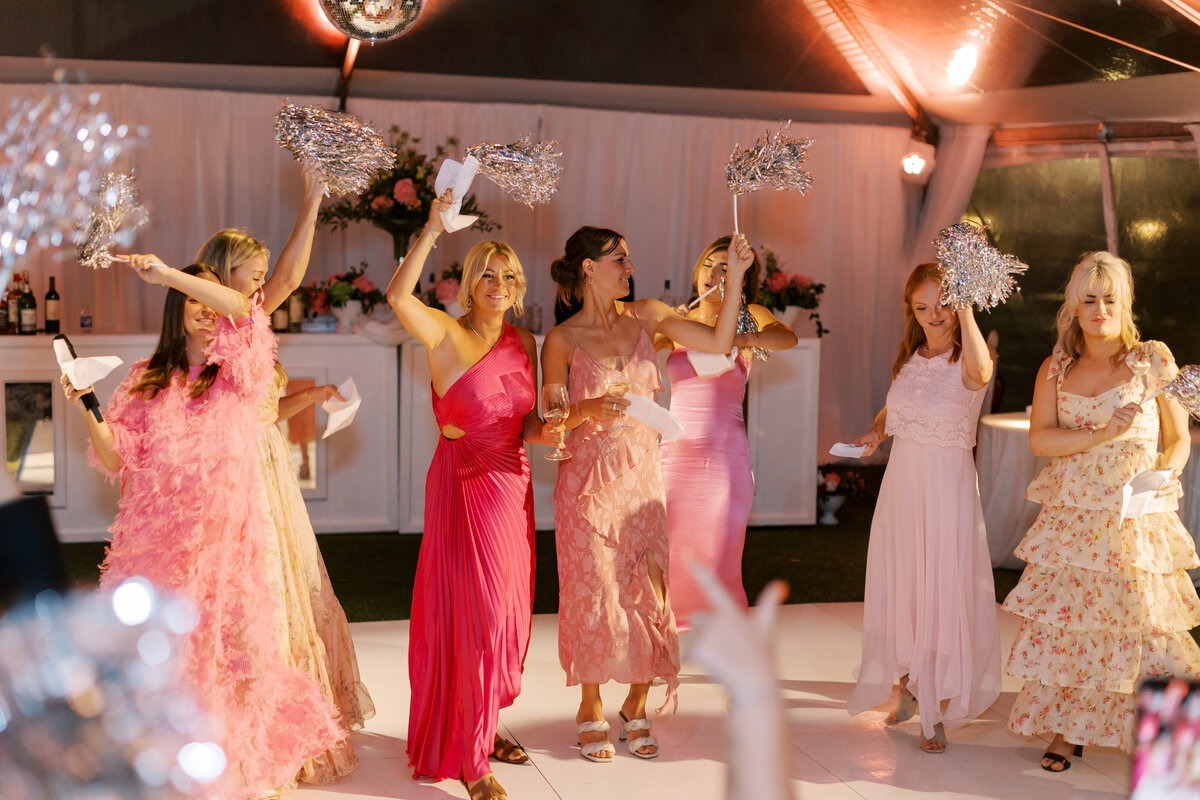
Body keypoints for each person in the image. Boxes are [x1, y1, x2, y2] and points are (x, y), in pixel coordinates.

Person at [63, 257, 343, 798]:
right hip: (154, 547)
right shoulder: (146, 378)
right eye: (196, 300)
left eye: (213, 299)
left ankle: (218, 764)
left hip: (226, 550)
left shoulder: (241, 374)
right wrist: (89, 410)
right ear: (178, 310)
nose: (210, 310)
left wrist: (168, 273)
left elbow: (247, 310)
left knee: (229, 657)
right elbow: (119, 456)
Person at [542, 225, 752, 762]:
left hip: (642, 477)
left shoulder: (650, 316)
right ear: (589, 266)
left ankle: (635, 705)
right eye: (619, 259)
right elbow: (550, 423)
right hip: (586, 487)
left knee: (647, 591)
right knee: (591, 593)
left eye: (629, 259)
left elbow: (720, 343)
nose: (629, 268)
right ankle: (590, 706)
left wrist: (737, 282)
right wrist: (585, 411)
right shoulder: (561, 340)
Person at [195, 172, 376, 783]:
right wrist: (313, 198)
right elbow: (295, 280)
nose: (264, 284)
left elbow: (264, 410)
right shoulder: (217, 319)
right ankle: (257, 733)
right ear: (225, 277)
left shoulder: (248, 325)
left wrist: (311, 396)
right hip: (240, 475)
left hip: (269, 467)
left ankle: (289, 727)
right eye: (254, 272)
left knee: (293, 590)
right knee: (262, 595)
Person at [1003, 251, 1200, 771]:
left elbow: (1179, 438)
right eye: (1089, 299)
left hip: (1136, 513)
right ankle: (1069, 731)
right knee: (1076, 625)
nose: (1099, 309)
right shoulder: (1056, 367)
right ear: (1074, 305)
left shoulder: (1152, 359)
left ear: (1125, 302)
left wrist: (1168, 473)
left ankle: (1170, 739)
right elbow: (1042, 442)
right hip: (1076, 518)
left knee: (1148, 624)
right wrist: (1103, 431)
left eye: (1109, 298)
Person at [385, 197, 550, 800]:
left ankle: (483, 718)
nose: (498, 284)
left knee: (506, 615)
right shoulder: (445, 333)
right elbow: (399, 299)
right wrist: (430, 229)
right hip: (462, 485)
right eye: (487, 272)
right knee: (471, 615)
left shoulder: (524, 341)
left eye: (509, 276)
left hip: (513, 484)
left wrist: (553, 428)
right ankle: (471, 756)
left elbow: (525, 423)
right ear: (467, 283)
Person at [846, 261, 1001, 754]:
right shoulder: (909, 359)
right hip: (903, 489)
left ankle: (934, 709)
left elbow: (980, 374)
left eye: (943, 304)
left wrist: (967, 308)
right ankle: (909, 685)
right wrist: (877, 430)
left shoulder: (970, 357)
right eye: (922, 307)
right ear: (911, 311)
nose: (935, 315)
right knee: (908, 586)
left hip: (946, 491)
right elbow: (895, 406)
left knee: (941, 588)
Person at [659, 236, 797, 630]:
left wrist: (738, 338)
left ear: (740, 276)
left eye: (726, 268)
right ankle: (663, 637)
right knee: (671, 549)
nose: (715, 274)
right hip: (675, 452)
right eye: (709, 265)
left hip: (724, 454)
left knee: (720, 550)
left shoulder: (749, 312)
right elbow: (636, 353)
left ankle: (723, 638)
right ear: (696, 270)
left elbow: (785, 337)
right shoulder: (676, 318)